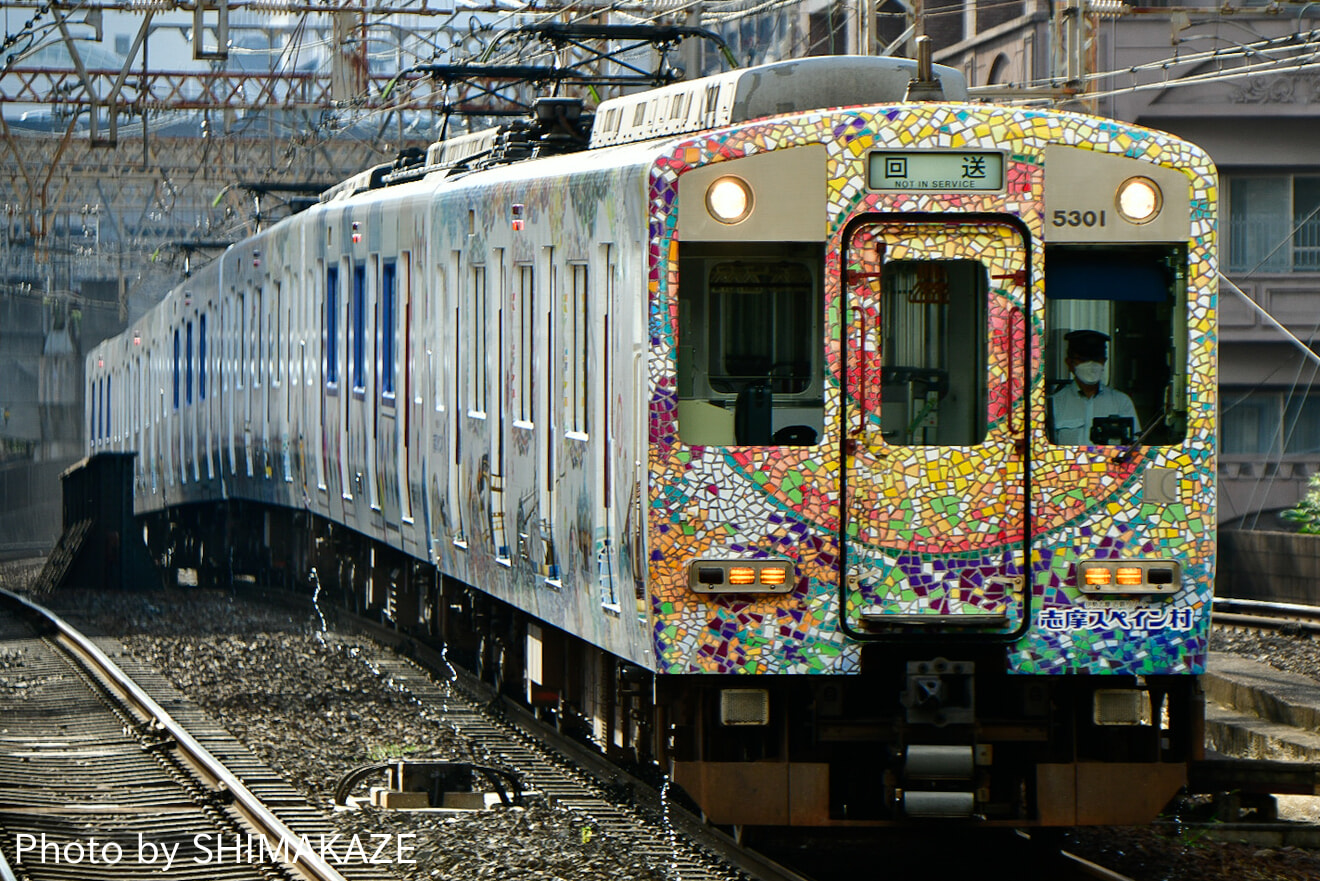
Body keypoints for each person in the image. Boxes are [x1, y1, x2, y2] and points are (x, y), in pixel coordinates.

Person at [1049, 330, 1140, 444]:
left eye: (1096, 360)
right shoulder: (1055, 404)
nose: (1091, 365)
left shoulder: (1121, 402)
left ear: (1104, 362)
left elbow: (1135, 448)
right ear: (1070, 363)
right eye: (1084, 360)